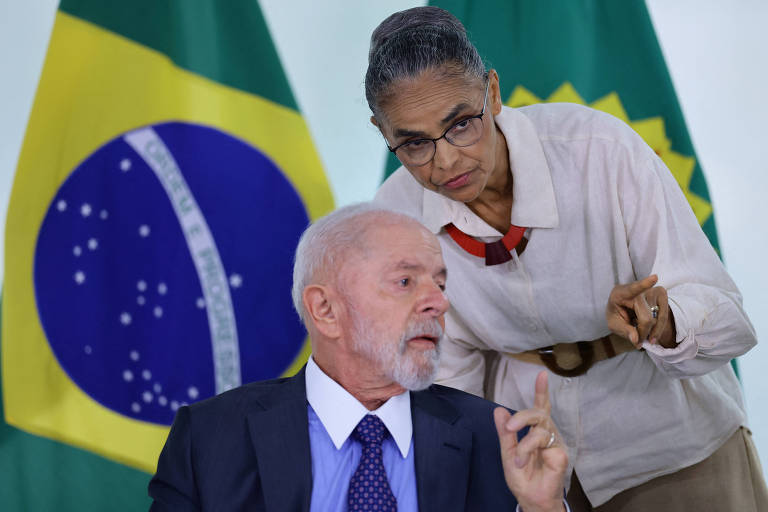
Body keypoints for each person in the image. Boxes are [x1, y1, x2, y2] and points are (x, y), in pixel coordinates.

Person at [368, 6, 766, 511]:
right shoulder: (394, 216)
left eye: (462, 124)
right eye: (414, 143)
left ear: (492, 92)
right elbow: (444, 378)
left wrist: (664, 322)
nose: (445, 161)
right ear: (384, 134)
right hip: (531, 467)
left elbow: (729, 317)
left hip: (674, 448)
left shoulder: (598, 148)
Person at [148, 204, 570, 512]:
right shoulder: (209, 437)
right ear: (326, 311)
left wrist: (544, 509)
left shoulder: (499, 439)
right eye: (405, 281)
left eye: (439, 284)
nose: (437, 303)